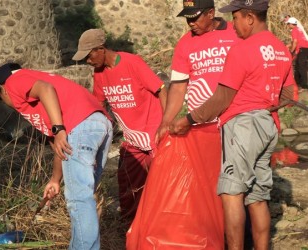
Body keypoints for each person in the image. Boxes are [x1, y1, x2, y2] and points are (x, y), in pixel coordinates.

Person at [169, 0, 296, 249]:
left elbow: (221, 99)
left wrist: (187, 120)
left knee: (231, 193)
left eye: (236, 18)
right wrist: (264, 106)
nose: (234, 25)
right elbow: (289, 94)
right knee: (258, 197)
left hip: (243, 127)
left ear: (250, 17)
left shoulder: (242, 50)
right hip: (269, 126)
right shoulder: (280, 48)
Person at [126, 0, 240, 248]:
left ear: (211, 13)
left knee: (239, 186)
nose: (190, 23)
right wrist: (166, 121)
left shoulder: (234, 33)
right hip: (204, 125)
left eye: (195, 17)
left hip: (236, 120)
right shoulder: (186, 43)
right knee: (214, 184)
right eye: (187, 18)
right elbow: (178, 86)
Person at [0, 62, 113, 250]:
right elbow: (61, 147)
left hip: (81, 126)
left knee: (79, 198)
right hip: (99, 125)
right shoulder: (45, 103)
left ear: (2, 90)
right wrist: (55, 180)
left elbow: (45, 89)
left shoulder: (15, 81)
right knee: (84, 196)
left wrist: (59, 128)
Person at [72, 29, 167, 224]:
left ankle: (163, 224)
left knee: (163, 182)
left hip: (153, 132)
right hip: (132, 138)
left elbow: (162, 90)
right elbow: (99, 105)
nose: (88, 62)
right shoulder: (99, 74)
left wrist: (166, 124)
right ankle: (130, 225)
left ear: (100, 49)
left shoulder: (132, 63)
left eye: (89, 56)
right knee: (128, 183)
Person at [286, 16, 308, 89]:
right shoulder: (299, 29)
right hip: (305, 48)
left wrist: (292, 51)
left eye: (288, 24)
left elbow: (295, 42)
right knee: (298, 65)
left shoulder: (294, 30)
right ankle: (297, 82)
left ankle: (304, 85)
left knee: (301, 66)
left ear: (292, 24)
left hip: (303, 48)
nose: (288, 26)